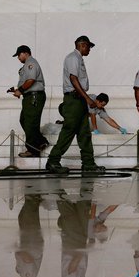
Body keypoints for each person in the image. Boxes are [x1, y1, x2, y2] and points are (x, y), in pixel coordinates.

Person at [46, 35, 105, 175]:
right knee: (68, 131)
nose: (90, 50)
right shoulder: (73, 58)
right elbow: (73, 79)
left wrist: (84, 99)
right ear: (82, 45)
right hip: (74, 100)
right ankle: (53, 161)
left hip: (79, 100)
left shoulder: (78, 59)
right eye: (89, 47)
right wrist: (87, 98)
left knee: (84, 133)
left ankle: (88, 164)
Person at [9, 45, 48, 158]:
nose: (18, 58)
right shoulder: (27, 65)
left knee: (30, 123)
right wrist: (19, 91)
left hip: (34, 96)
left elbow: (31, 80)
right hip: (29, 96)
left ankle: (33, 150)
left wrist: (20, 90)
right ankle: (40, 142)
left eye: (19, 55)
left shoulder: (31, 63)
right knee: (24, 120)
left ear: (25, 53)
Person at [9, 193, 44, 277]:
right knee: (29, 217)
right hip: (32, 242)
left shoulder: (23, 275)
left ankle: (33, 197)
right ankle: (32, 193)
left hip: (29, 242)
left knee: (23, 217)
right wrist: (17, 250)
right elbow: (28, 260)